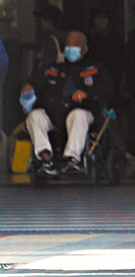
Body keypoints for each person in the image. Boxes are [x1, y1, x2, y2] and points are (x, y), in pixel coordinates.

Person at [21, 30, 112, 176]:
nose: (71, 49)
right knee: (34, 116)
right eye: (68, 45)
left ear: (84, 49)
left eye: (75, 45)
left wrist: (87, 94)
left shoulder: (95, 68)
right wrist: (29, 88)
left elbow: (108, 89)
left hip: (84, 112)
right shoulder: (53, 69)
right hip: (55, 113)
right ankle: (45, 158)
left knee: (77, 115)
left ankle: (72, 159)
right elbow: (36, 83)